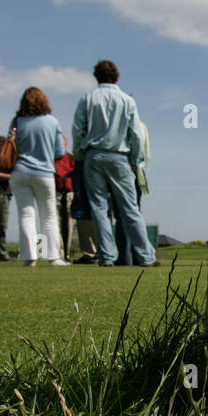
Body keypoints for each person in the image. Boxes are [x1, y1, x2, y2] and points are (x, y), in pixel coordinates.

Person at [72, 60, 158, 267]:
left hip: (93, 155)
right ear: (116, 76)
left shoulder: (87, 99)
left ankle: (107, 257)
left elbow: (77, 129)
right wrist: (136, 161)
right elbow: (136, 134)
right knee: (130, 208)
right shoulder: (127, 101)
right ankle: (146, 257)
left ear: (96, 76)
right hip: (120, 157)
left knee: (99, 209)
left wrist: (79, 155)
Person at [10, 86, 70, 266]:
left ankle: (29, 257)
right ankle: (53, 257)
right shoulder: (52, 122)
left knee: (26, 215)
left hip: (20, 171)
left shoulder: (18, 121)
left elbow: (12, 146)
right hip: (44, 172)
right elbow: (60, 151)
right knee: (49, 216)